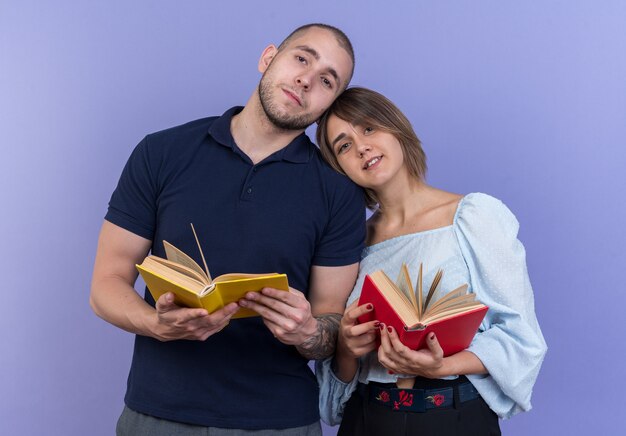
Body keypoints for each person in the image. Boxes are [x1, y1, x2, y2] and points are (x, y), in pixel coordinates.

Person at [90, 24, 366, 435]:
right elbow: (106, 284)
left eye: (327, 80)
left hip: (280, 421)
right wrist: (156, 325)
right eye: (302, 58)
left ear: (329, 102)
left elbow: (331, 324)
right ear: (268, 58)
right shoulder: (161, 152)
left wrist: (309, 331)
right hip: (158, 414)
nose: (307, 80)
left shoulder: (339, 194)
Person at [315, 87, 547, 435]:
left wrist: (440, 366)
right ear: (339, 166)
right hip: (367, 418)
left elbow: (520, 338)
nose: (361, 146)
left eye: (368, 128)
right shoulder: (348, 243)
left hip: (455, 417)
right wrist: (347, 348)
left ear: (396, 128)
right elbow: (333, 401)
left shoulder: (471, 217)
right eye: (344, 145)